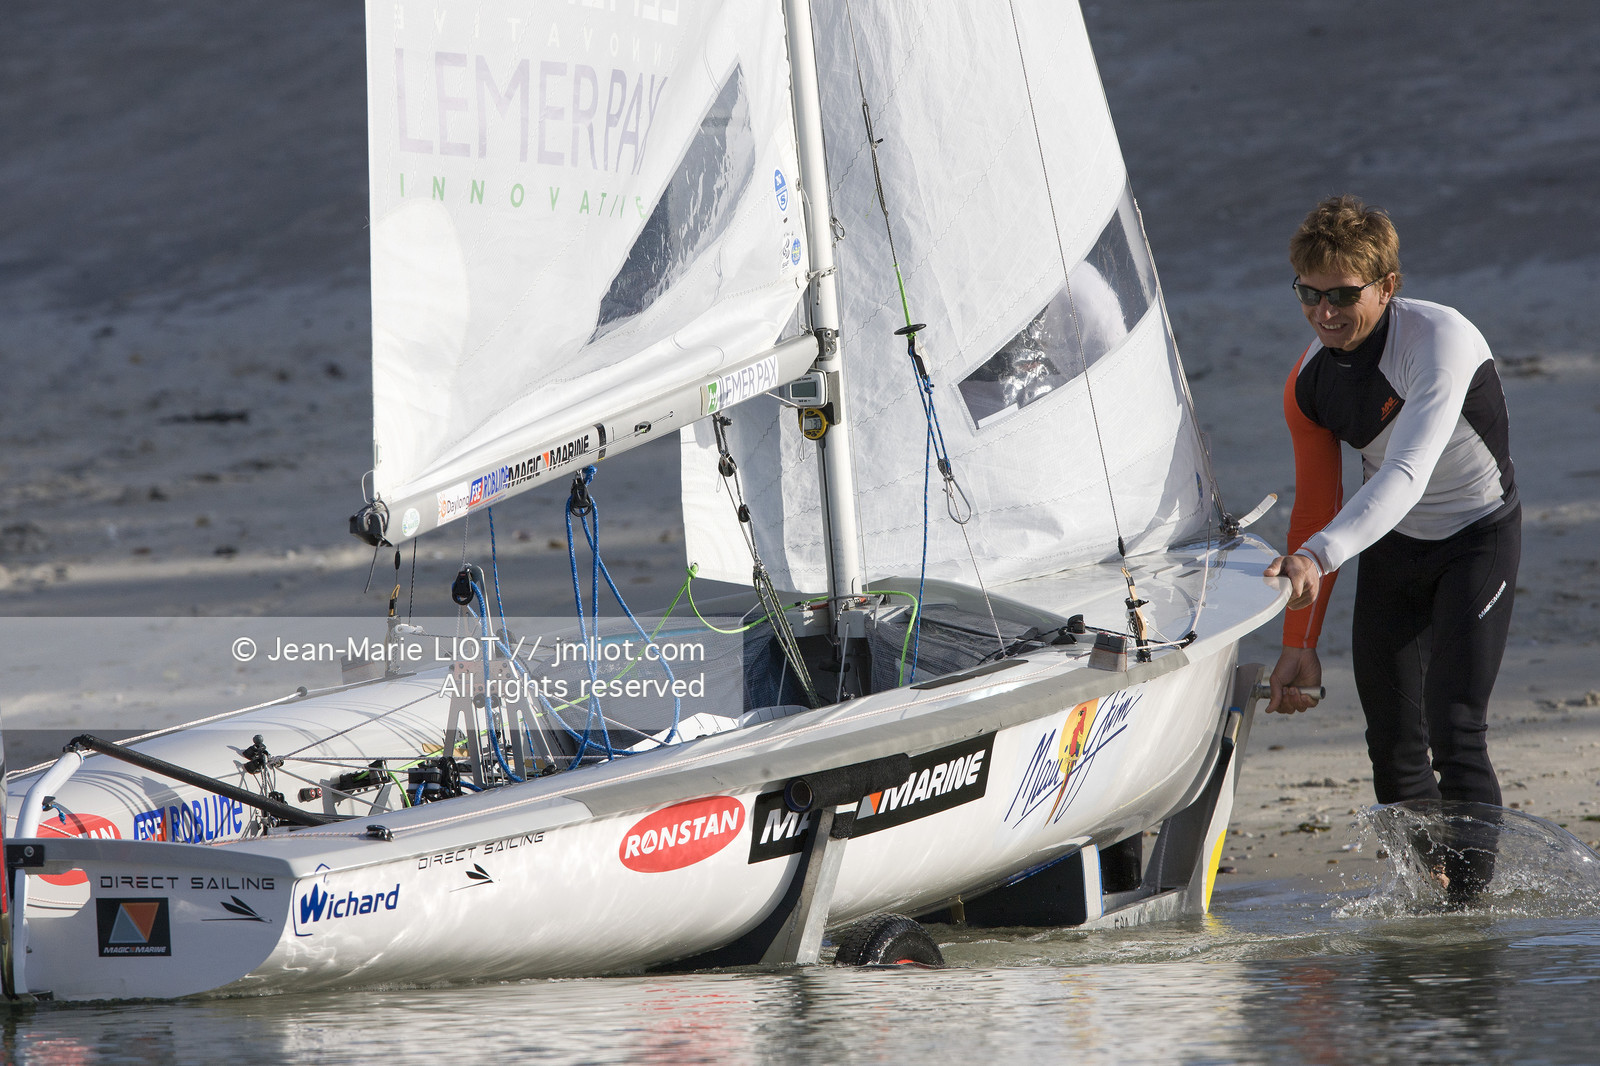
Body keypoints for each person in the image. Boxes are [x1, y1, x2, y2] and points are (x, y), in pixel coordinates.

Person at [1262, 195, 1520, 899]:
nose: (1325, 313)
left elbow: (1405, 475)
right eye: (1310, 295)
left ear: (1388, 286)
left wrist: (1317, 557)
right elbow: (1317, 504)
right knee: (1393, 735)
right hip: (1392, 547)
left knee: (1455, 724)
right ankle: (1427, 895)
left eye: (1344, 295)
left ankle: (1467, 917)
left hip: (1478, 538)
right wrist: (1299, 640)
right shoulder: (1309, 383)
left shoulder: (1441, 341)